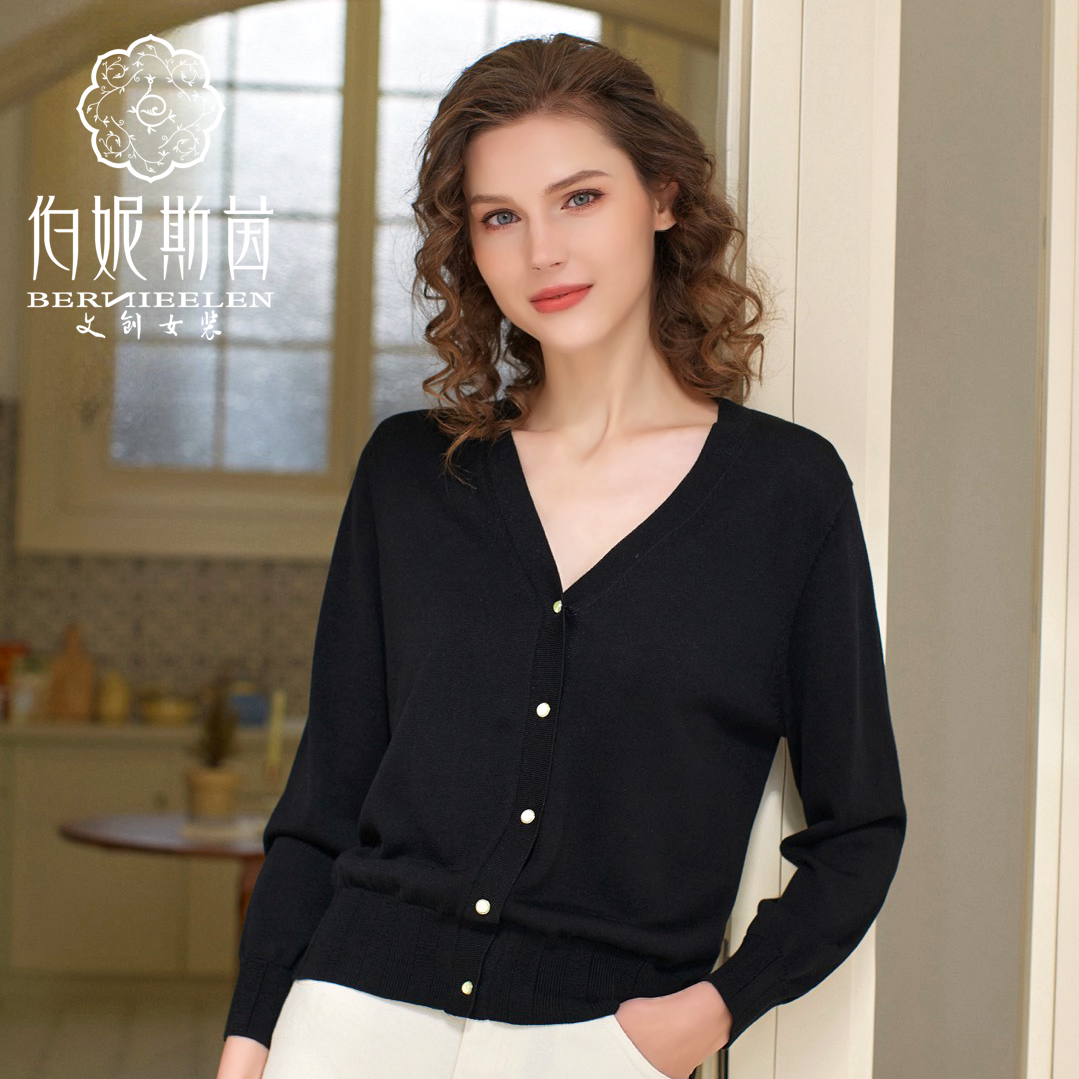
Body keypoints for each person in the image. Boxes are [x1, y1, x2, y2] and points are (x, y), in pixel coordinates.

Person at [215, 31, 906, 1079]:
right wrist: (251, 1037)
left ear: (662, 197)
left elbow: (858, 828)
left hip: (605, 1039)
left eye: (578, 198)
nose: (541, 250)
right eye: (499, 216)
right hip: (348, 1019)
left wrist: (710, 1011)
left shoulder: (784, 494)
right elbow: (323, 801)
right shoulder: (412, 474)